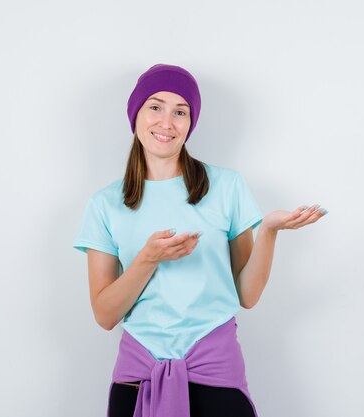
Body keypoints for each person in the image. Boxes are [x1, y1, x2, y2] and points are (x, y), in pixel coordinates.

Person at [72, 63, 328, 417]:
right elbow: (104, 315)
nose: (167, 122)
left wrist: (268, 231)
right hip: (138, 379)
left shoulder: (227, 186)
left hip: (216, 375)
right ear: (136, 114)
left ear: (190, 123)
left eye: (181, 112)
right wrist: (148, 259)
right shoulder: (104, 204)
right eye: (156, 107)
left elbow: (247, 295)